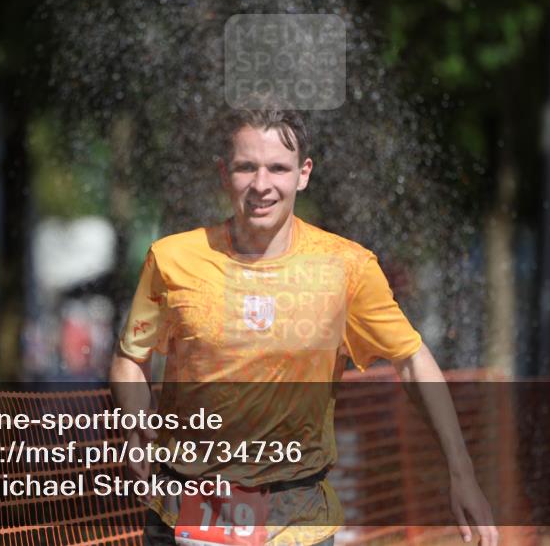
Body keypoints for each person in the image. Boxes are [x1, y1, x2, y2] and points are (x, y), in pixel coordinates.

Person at [110, 107, 498, 546]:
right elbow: (129, 358)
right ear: (224, 173)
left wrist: (461, 472)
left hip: (296, 518)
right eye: (246, 167)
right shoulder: (171, 259)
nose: (261, 185)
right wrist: (134, 420)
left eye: (278, 168)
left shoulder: (346, 267)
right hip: (182, 508)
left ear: (303, 173)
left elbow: (411, 361)